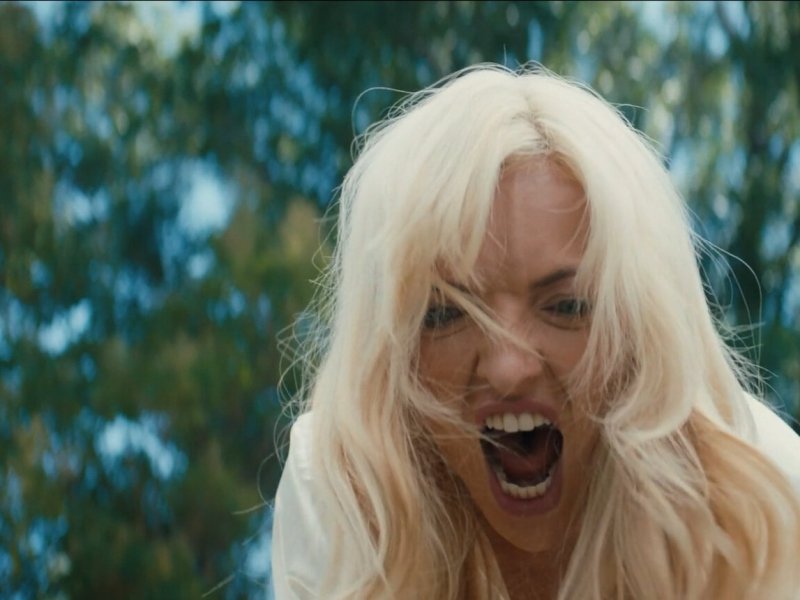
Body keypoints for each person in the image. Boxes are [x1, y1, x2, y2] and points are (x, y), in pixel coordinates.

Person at [270, 63, 800, 599]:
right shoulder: (342, 495)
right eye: (447, 314)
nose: (508, 368)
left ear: (643, 333)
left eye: (566, 306)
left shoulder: (768, 504)